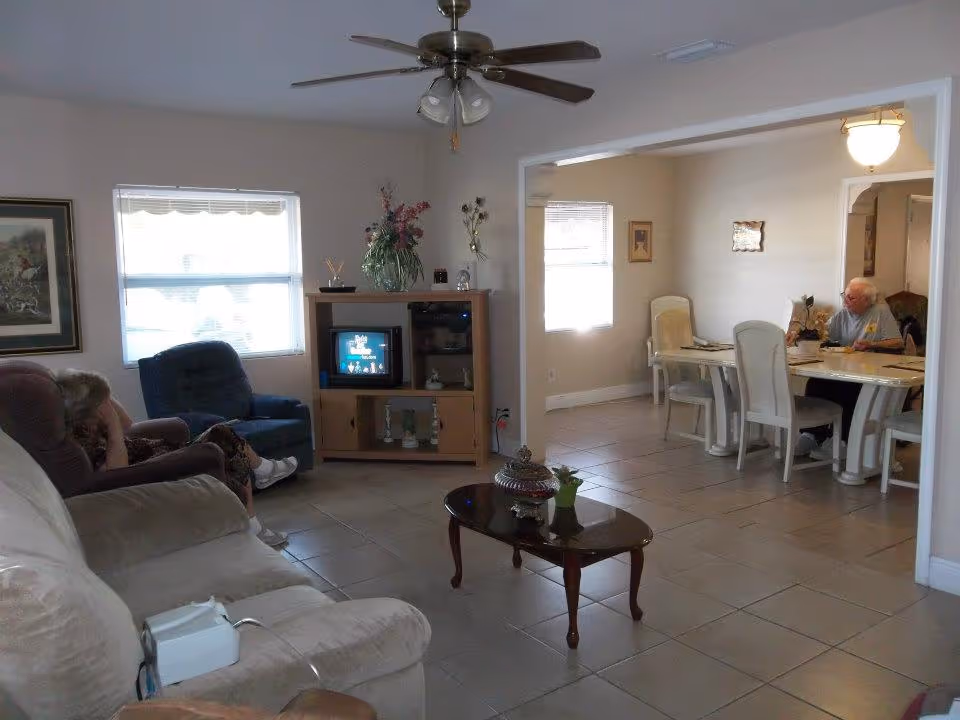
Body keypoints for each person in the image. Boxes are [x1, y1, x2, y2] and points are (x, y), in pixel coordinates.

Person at [55, 369, 296, 548]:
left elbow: (129, 425)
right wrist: (110, 424)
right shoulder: (82, 439)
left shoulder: (88, 425)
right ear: (88, 410)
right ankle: (261, 485)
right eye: (102, 404)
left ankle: (261, 481)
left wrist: (105, 396)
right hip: (166, 465)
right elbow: (117, 474)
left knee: (224, 437)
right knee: (223, 437)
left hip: (170, 453)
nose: (107, 407)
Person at [797, 277, 904, 460]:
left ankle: (843, 440)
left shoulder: (880, 312)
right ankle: (812, 435)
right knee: (816, 383)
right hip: (844, 367)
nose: (846, 302)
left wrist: (870, 344)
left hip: (869, 370)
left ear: (866, 300)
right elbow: (824, 334)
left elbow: (897, 342)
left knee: (848, 389)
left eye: (851, 298)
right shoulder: (843, 313)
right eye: (844, 296)